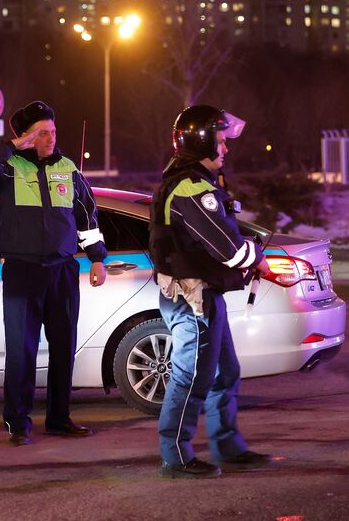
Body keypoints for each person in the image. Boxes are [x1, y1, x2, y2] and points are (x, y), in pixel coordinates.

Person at [0, 100, 107, 446]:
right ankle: (18, 423)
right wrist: (13, 145)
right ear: (27, 136)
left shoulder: (68, 167)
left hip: (61, 270)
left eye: (53, 131)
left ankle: (60, 419)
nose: (50, 138)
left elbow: (87, 217)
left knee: (63, 348)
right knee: (21, 350)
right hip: (22, 271)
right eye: (42, 132)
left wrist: (98, 258)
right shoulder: (8, 167)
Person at [149, 104, 273, 479]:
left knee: (224, 372)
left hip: (202, 296)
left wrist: (248, 249)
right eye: (220, 141)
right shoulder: (190, 188)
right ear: (201, 141)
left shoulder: (195, 184)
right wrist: (258, 255)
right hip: (192, 300)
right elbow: (230, 250)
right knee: (191, 378)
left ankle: (227, 445)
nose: (226, 149)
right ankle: (175, 455)